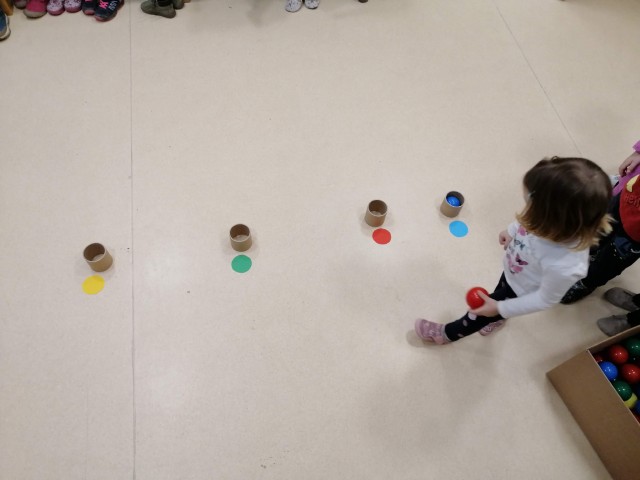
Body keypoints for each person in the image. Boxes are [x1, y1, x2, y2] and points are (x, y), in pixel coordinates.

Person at [415, 157, 612, 344]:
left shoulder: (566, 265)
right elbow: (527, 220)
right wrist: (511, 231)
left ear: (550, 217)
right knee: (499, 291)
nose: (527, 208)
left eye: (530, 203)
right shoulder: (548, 220)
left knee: (478, 314)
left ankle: (446, 334)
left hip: (522, 291)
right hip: (515, 271)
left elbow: (544, 299)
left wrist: (501, 307)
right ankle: (498, 317)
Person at [561, 140, 640, 304]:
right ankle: (588, 249)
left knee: (612, 260)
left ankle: (587, 283)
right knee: (600, 226)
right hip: (629, 196)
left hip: (636, 236)